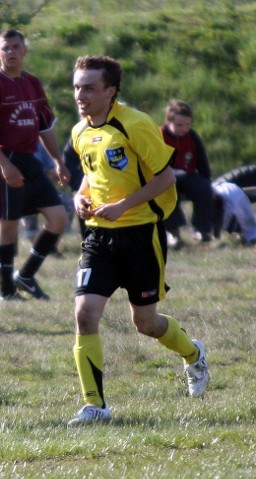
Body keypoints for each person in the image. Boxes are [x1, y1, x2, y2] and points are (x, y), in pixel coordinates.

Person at [69, 55, 210, 425]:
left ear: (111, 91)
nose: (80, 95)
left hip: (140, 235)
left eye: (89, 87)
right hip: (99, 236)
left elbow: (166, 179)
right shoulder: (79, 131)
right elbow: (90, 173)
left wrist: (125, 205)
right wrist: (78, 198)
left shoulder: (136, 125)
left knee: (145, 323)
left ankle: (193, 355)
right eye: (76, 87)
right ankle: (95, 406)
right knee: (84, 314)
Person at [0, 29, 70, 302]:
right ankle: (6, 291)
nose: (11, 52)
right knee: (8, 227)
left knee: (59, 218)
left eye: (16, 47)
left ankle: (25, 276)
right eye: (6, 48)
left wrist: (58, 161)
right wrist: (4, 165)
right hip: (5, 159)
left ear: (25, 50)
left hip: (30, 160)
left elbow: (45, 127)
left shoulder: (33, 84)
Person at [161, 99, 214, 247]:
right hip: (164, 178)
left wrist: (208, 183)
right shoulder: (159, 135)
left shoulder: (192, 136)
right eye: (179, 125)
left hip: (187, 176)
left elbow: (202, 162)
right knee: (166, 191)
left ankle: (201, 230)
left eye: (187, 124)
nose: (184, 128)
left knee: (203, 187)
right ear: (168, 121)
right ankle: (173, 231)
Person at [212, 180, 256, 244]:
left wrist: (223, 227)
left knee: (247, 221)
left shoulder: (227, 202)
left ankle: (251, 239)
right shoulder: (214, 193)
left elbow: (227, 215)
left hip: (235, 196)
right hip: (233, 190)